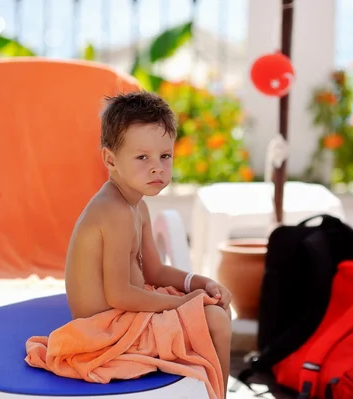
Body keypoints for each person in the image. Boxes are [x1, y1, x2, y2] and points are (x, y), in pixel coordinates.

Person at [64, 90, 233, 394]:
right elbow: (118, 294)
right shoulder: (113, 211)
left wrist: (199, 282)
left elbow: (153, 271)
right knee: (215, 321)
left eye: (165, 156)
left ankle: (209, 391)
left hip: (128, 313)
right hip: (105, 330)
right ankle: (217, 395)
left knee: (216, 305)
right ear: (110, 159)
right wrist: (181, 303)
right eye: (142, 157)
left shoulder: (136, 205)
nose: (157, 167)